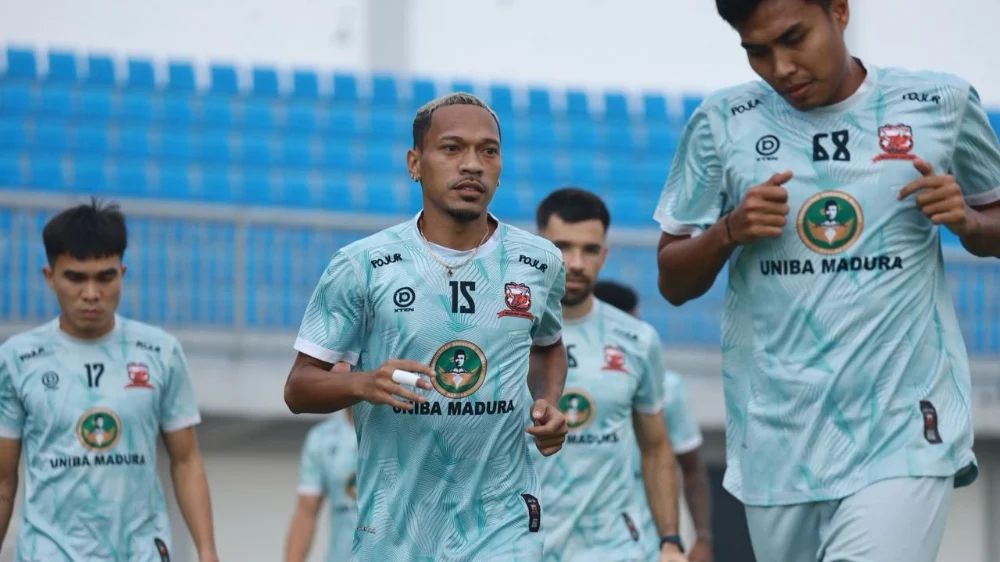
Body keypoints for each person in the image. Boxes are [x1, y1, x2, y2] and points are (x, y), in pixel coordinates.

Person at [655, 0, 1000, 560]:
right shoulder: (723, 121)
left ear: (839, 11)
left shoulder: (940, 103)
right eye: (757, 52)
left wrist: (970, 221)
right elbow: (672, 281)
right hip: (778, 437)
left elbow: (993, 223)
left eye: (794, 38)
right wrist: (728, 231)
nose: (781, 67)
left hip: (903, 428)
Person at [283, 92, 570, 562]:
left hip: (503, 527)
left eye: (488, 151)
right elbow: (298, 388)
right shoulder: (362, 265)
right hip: (396, 532)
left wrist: (549, 402)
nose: (472, 165)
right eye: (452, 148)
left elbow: (548, 346)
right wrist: (362, 383)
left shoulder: (539, 261)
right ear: (415, 163)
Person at [0, 199, 219, 561]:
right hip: (49, 552)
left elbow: (186, 459)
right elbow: (3, 479)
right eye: (76, 277)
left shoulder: (160, 351)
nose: (91, 293)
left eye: (105, 277)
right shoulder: (16, 360)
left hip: (139, 551)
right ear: (50, 277)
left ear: (122, 273)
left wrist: (207, 552)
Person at [532, 188, 688, 562]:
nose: (576, 263)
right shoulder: (505, 333)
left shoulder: (637, 339)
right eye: (562, 247)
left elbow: (655, 447)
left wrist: (670, 541)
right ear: (537, 250)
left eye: (589, 250)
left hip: (613, 548)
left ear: (604, 255)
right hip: (523, 545)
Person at [593, 280, 714, 562]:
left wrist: (703, 538)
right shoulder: (562, 381)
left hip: (648, 543)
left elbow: (691, 467)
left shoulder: (667, 387)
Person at [285, 364, 358, 562]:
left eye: (350, 360)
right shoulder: (321, 438)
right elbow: (306, 512)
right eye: (337, 361)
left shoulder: (404, 433)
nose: (342, 369)